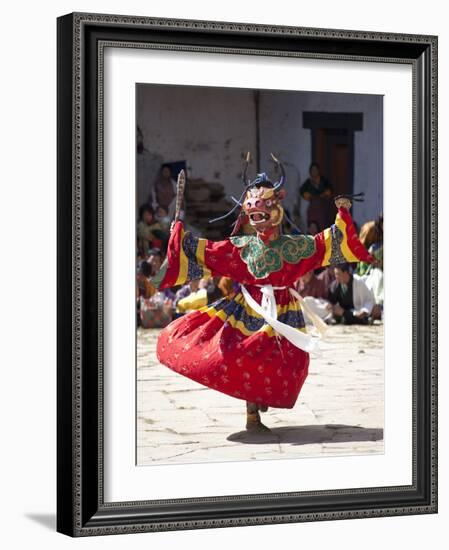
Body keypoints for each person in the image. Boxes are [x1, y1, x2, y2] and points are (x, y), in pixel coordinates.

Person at [151, 154, 374, 433]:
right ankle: (252, 414)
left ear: (276, 209)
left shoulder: (295, 247)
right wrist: (179, 237)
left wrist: (342, 214)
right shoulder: (240, 246)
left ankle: (261, 398)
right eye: (253, 212)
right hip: (249, 309)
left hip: (284, 312)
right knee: (245, 354)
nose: (258, 218)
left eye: (263, 211)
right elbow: (207, 253)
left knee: (292, 362)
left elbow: (327, 243)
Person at [300, 162, 333, 230]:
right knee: (312, 227)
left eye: (315, 170)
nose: (314, 172)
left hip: (322, 207)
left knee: (322, 226)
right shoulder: (308, 182)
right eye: (312, 170)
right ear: (310, 172)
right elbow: (301, 191)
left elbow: (330, 190)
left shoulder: (324, 181)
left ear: (318, 171)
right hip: (313, 208)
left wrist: (324, 194)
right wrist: (308, 196)